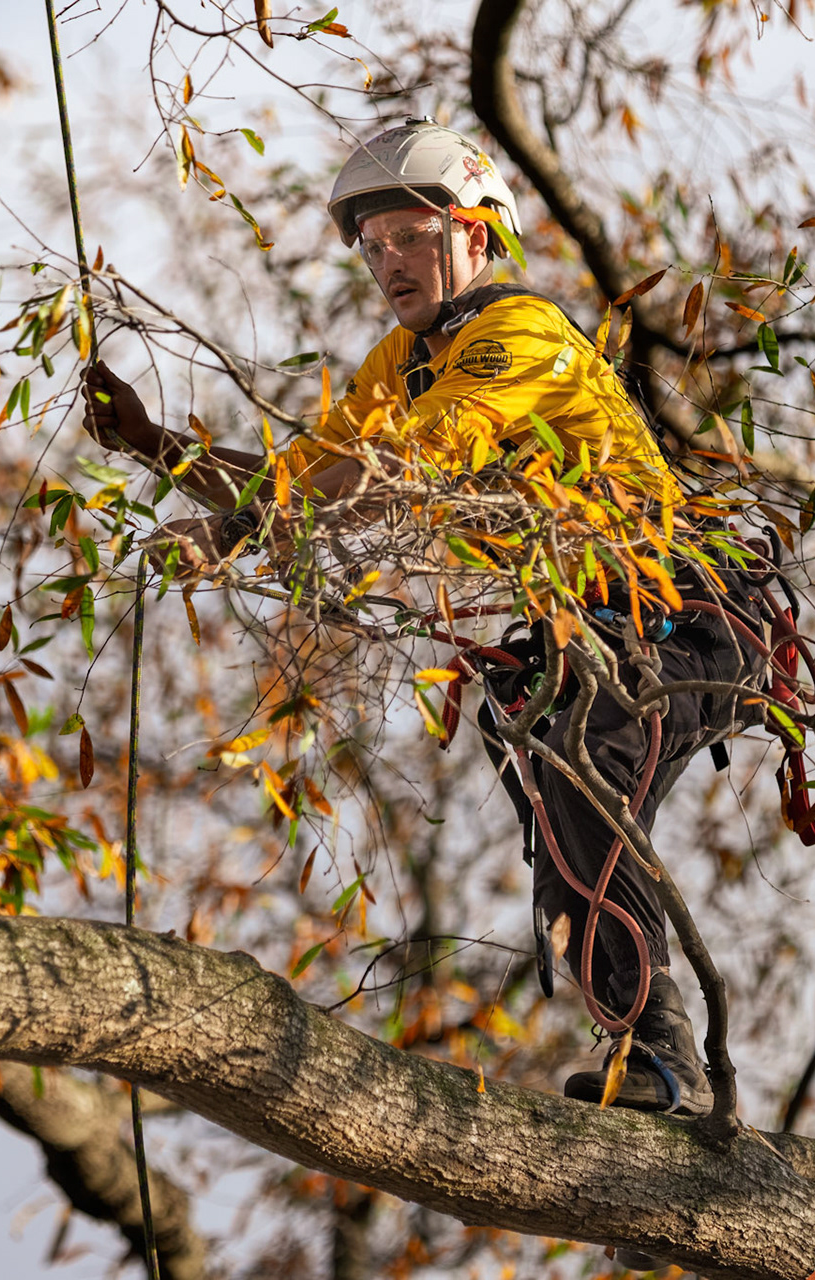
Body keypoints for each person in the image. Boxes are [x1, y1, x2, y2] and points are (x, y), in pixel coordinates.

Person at [81, 118, 763, 1118]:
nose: (391, 261)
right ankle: (646, 1060)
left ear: (475, 234)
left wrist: (235, 527)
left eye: (413, 236)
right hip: (591, 628)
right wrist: (155, 446)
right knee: (561, 796)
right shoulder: (402, 362)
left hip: (687, 614)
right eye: (375, 245)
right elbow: (301, 482)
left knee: (581, 768)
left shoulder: (519, 334)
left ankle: (665, 1057)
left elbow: (403, 466)